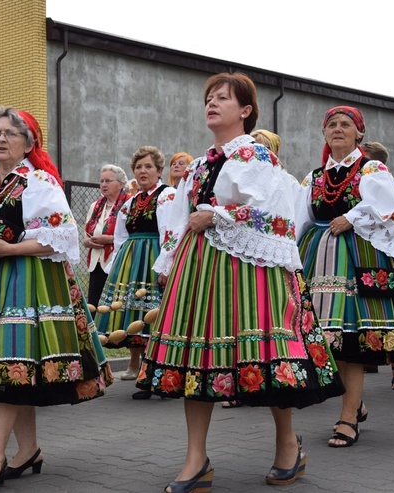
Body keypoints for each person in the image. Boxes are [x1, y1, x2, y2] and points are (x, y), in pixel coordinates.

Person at [138, 72, 343, 491]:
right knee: (196, 358)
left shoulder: (256, 156)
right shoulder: (196, 165)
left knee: (260, 355)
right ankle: (196, 460)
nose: (211, 103)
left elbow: (278, 215)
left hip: (248, 269)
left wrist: (219, 215)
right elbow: (178, 218)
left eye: (222, 98)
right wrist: (169, 260)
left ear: (245, 110)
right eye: (208, 97)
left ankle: (287, 443)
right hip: (198, 267)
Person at [0, 106, 113, 491]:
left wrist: (9, 251)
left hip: (28, 281)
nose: (0, 139)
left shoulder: (40, 182)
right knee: (10, 367)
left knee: (9, 364)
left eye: (10, 133)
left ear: (28, 143)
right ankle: (27, 449)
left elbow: (59, 239)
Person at [296, 106, 394, 447]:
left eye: (345, 125)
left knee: (349, 341)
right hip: (319, 259)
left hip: (358, 257)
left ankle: (348, 415)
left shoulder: (371, 168)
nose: (338, 129)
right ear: (324, 134)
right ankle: (356, 402)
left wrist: (352, 217)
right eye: (332, 125)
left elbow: (390, 209)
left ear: (359, 134)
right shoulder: (314, 177)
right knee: (323, 340)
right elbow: (300, 220)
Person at [94, 146, 175, 399]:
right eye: (138, 167)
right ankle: (147, 374)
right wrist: (118, 267)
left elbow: (171, 233)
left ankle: (158, 376)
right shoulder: (130, 202)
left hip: (153, 258)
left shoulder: (167, 195)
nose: (142, 171)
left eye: (148, 166)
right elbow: (120, 237)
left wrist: (167, 266)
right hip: (131, 261)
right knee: (138, 318)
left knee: (157, 318)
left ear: (159, 170)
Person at [360, 140, 394, 387]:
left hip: (385, 251)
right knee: (365, 307)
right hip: (359, 251)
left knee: (391, 306)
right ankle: (367, 358)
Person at [83, 165, 129, 308]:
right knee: (94, 304)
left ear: (121, 184)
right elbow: (86, 237)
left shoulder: (129, 203)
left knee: (112, 305)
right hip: (96, 263)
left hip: (117, 261)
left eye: (108, 181)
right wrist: (89, 242)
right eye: (101, 181)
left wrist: (109, 240)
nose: (103, 184)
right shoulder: (95, 206)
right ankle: (94, 331)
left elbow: (131, 236)